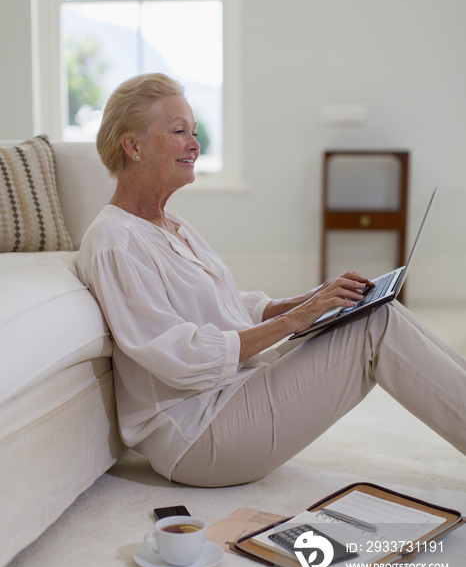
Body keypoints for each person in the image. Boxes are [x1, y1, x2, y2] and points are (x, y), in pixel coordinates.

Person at [77, 73, 466, 487]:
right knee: (377, 327)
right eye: (179, 131)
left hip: (235, 393)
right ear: (132, 146)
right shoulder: (114, 241)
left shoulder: (171, 225)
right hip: (198, 435)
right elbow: (181, 357)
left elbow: (231, 306)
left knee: (376, 310)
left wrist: (315, 298)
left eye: (193, 130)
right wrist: (295, 321)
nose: (195, 143)